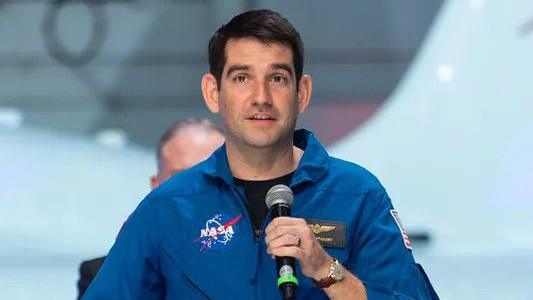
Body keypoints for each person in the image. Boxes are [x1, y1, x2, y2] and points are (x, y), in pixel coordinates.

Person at [83, 10, 438, 299]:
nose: (261, 97)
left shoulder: (358, 195)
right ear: (213, 92)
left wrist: (329, 272)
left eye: (278, 78)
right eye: (241, 78)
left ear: (302, 92)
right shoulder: (168, 207)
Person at [77, 119, 224, 299]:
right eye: (181, 177)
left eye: (212, 176)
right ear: (156, 186)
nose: (197, 189)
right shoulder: (101, 274)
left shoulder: (262, 269)